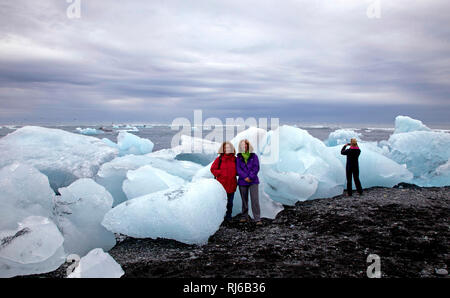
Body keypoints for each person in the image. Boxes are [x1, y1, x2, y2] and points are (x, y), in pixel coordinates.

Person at [236, 139, 262, 225]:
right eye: (242, 145)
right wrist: (245, 177)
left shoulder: (254, 156)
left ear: (248, 146)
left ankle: (257, 218)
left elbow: (256, 167)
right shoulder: (238, 157)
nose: (244, 146)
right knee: (244, 200)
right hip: (242, 181)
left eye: (245, 145)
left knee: (255, 200)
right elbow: (238, 169)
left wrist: (250, 177)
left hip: (253, 181)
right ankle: (244, 216)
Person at [210, 141, 237, 221]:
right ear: (223, 149)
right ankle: (220, 218)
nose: (227, 149)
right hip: (221, 185)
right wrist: (221, 173)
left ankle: (228, 216)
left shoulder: (235, 159)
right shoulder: (219, 159)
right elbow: (212, 169)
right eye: (225, 148)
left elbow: (239, 170)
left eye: (228, 147)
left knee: (230, 203)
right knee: (221, 203)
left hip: (231, 184)